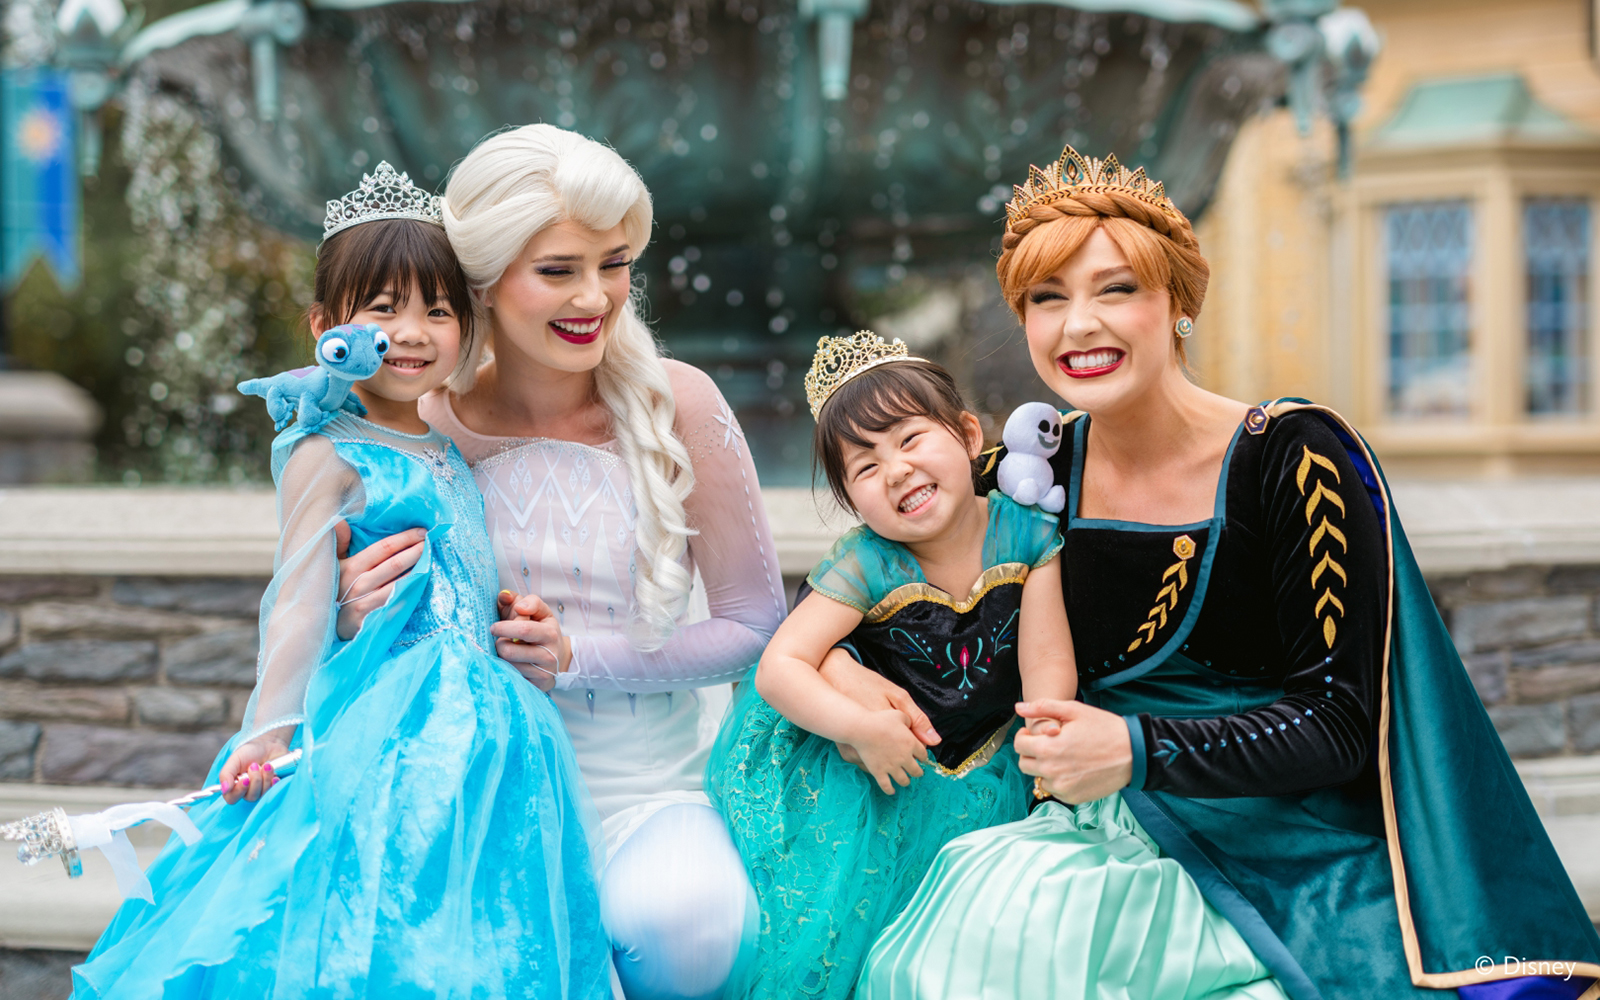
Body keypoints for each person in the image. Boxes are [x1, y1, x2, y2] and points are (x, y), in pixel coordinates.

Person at [856, 146, 1600, 999]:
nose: (1077, 325)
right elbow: (871, 596)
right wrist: (846, 686)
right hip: (1092, 830)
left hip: (1286, 845)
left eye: (1115, 290)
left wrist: (1135, 748)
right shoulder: (1028, 474)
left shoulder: (1295, 458)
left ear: (1178, 304)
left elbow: (1338, 725)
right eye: (1047, 299)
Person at [73, 163, 611, 998]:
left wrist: (509, 609)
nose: (412, 332)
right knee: (382, 918)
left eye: (438, 311)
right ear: (326, 325)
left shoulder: (444, 444)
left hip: (494, 726)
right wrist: (270, 730)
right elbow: (297, 597)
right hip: (395, 723)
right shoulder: (326, 450)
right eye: (383, 308)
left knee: (479, 924)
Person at [334, 125, 786, 1000]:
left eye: (614, 264)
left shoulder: (680, 402)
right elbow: (355, 629)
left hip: (647, 789)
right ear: (483, 280)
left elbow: (755, 627)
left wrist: (577, 658)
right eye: (558, 270)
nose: (596, 296)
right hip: (475, 786)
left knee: (689, 929)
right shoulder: (418, 425)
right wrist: (352, 613)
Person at [704, 334, 1072, 999]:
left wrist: (1049, 758)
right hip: (879, 778)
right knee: (854, 936)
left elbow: (1046, 660)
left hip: (998, 761)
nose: (897, 470)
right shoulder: (867, 560)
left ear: (968, 436)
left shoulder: (1027, 534)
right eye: (866, 467)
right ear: (851, 500)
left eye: (910, 439)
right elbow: (780, 666)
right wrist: (859, 727)